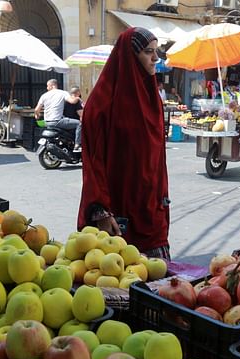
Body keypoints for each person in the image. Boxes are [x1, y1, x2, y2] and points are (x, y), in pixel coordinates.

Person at [78, 27, 171, 260]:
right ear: (130, 56)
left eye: (156, 51)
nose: (156, 58)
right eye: (148, 52)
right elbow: (93, 161)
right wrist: (100, 210)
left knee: (159, 286)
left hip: (152, 208)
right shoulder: (101, 104)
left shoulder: (152, 98)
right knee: (117, 286)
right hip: (117, 212)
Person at [34, 79, 81, 150]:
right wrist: (78, 97)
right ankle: (77, 144)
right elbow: (72, 101)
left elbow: (36, 110)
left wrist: (37, 115)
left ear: (52, 85)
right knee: (79, 123)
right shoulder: (63, 93)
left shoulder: (44, 95)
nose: (47, 88)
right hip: (58, 121)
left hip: (47, 122)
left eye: (48, 86)